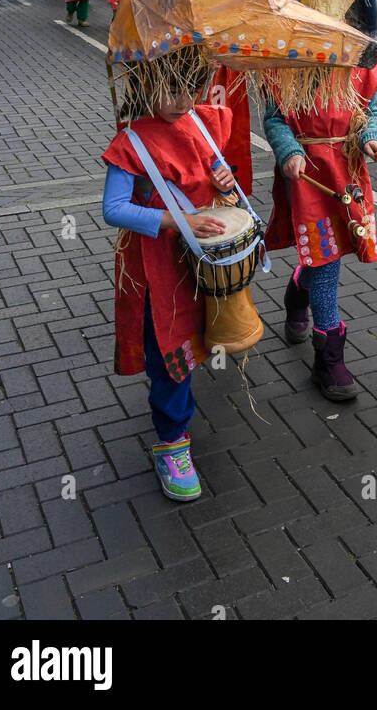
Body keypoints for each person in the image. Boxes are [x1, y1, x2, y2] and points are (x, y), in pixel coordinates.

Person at [101, 46, 246, 501]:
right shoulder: (132, 142)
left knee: (198, 335)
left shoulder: (202, 121)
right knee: (170, 348)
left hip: (198, 261)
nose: (183, 100)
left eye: (190, 88)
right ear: (144, 84)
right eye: (171, 89)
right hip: (157, 268)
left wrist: (226, 179)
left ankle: (176, 415)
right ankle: (171, 441)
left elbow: (220, 171)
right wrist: (173, 221)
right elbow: (113, 209)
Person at [263, 0, 377, 402]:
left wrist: (373, 136)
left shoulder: (357, 53)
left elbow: (369, 108)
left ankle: (297, 292)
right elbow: (274, 118)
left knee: (329, 254)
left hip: (348, 171)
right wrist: (289, 149)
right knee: (326, 258)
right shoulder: (289, 55)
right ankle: (329, 359)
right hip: (307, 176)